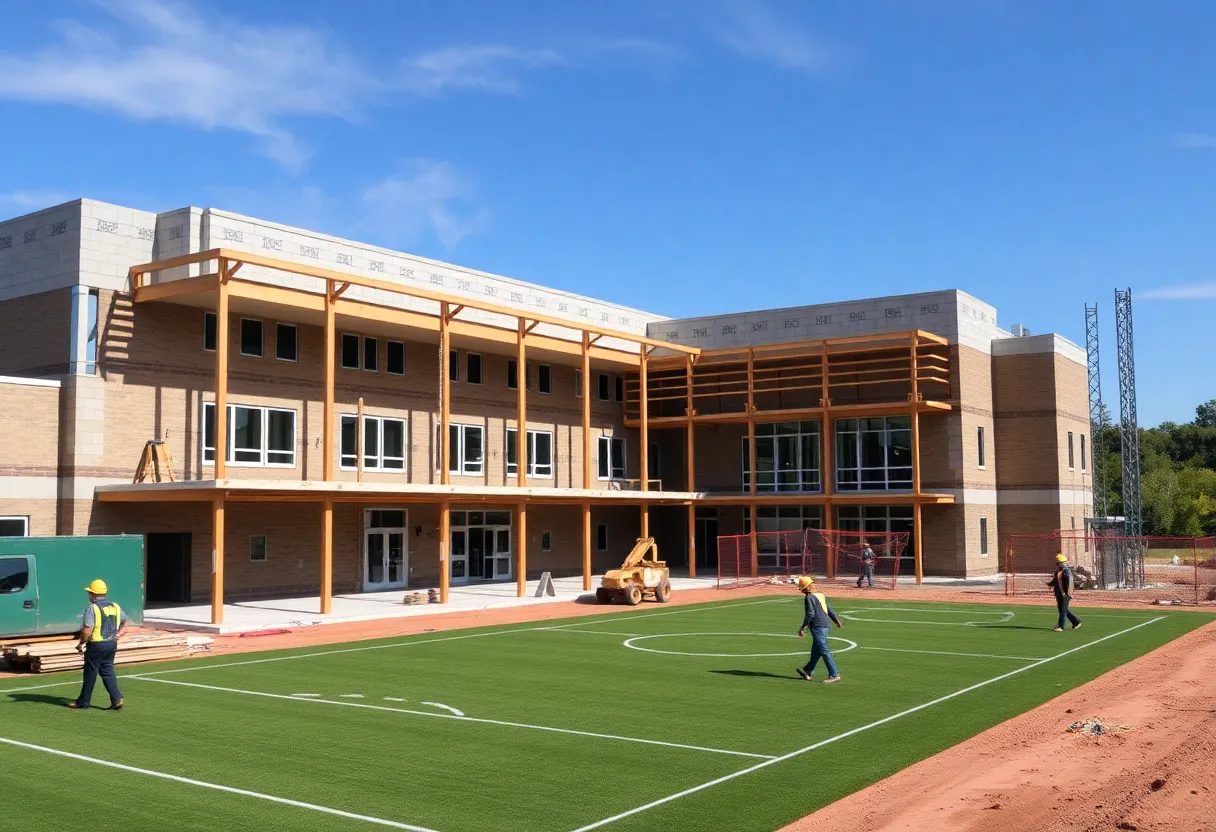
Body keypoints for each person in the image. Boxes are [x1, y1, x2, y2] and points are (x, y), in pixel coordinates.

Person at [68, 579, 127, 710]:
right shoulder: (115, 606)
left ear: (92, 594)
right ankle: (117, 698)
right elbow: (124, 624)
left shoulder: (92, 608)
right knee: (108, 671)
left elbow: (87, 629)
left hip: (96, 645)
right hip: (111, 644)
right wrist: (117, 635)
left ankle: (83, 702)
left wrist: (81, 642)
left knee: (90, 674)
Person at [795, 575, 844, 684]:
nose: (802, 591)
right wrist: (836, 620)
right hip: (825, 625)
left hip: (818, 626)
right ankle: (807, 670)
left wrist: (803, 627)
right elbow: (829, 609)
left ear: (806, 588)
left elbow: (810, 613)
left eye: (802, 588)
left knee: (824, 650)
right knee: (816, 650)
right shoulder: (820, 595)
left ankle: (834, 674)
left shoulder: (809, 597)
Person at [1046, 554, 1082, 632]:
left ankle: (1061, 626)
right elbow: (1056, 581)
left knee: (1062, 610)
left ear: (1062, 563)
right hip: (1059, 594)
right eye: (1057, 563)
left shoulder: (1066, 571)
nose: (1057, 564)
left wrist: (1067, 593)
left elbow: (1068, 584)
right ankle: (1076, 622)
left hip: (1064, 594)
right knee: (1062, 610)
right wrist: (1049, 584)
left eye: (1058, 563)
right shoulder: (1058, 572)